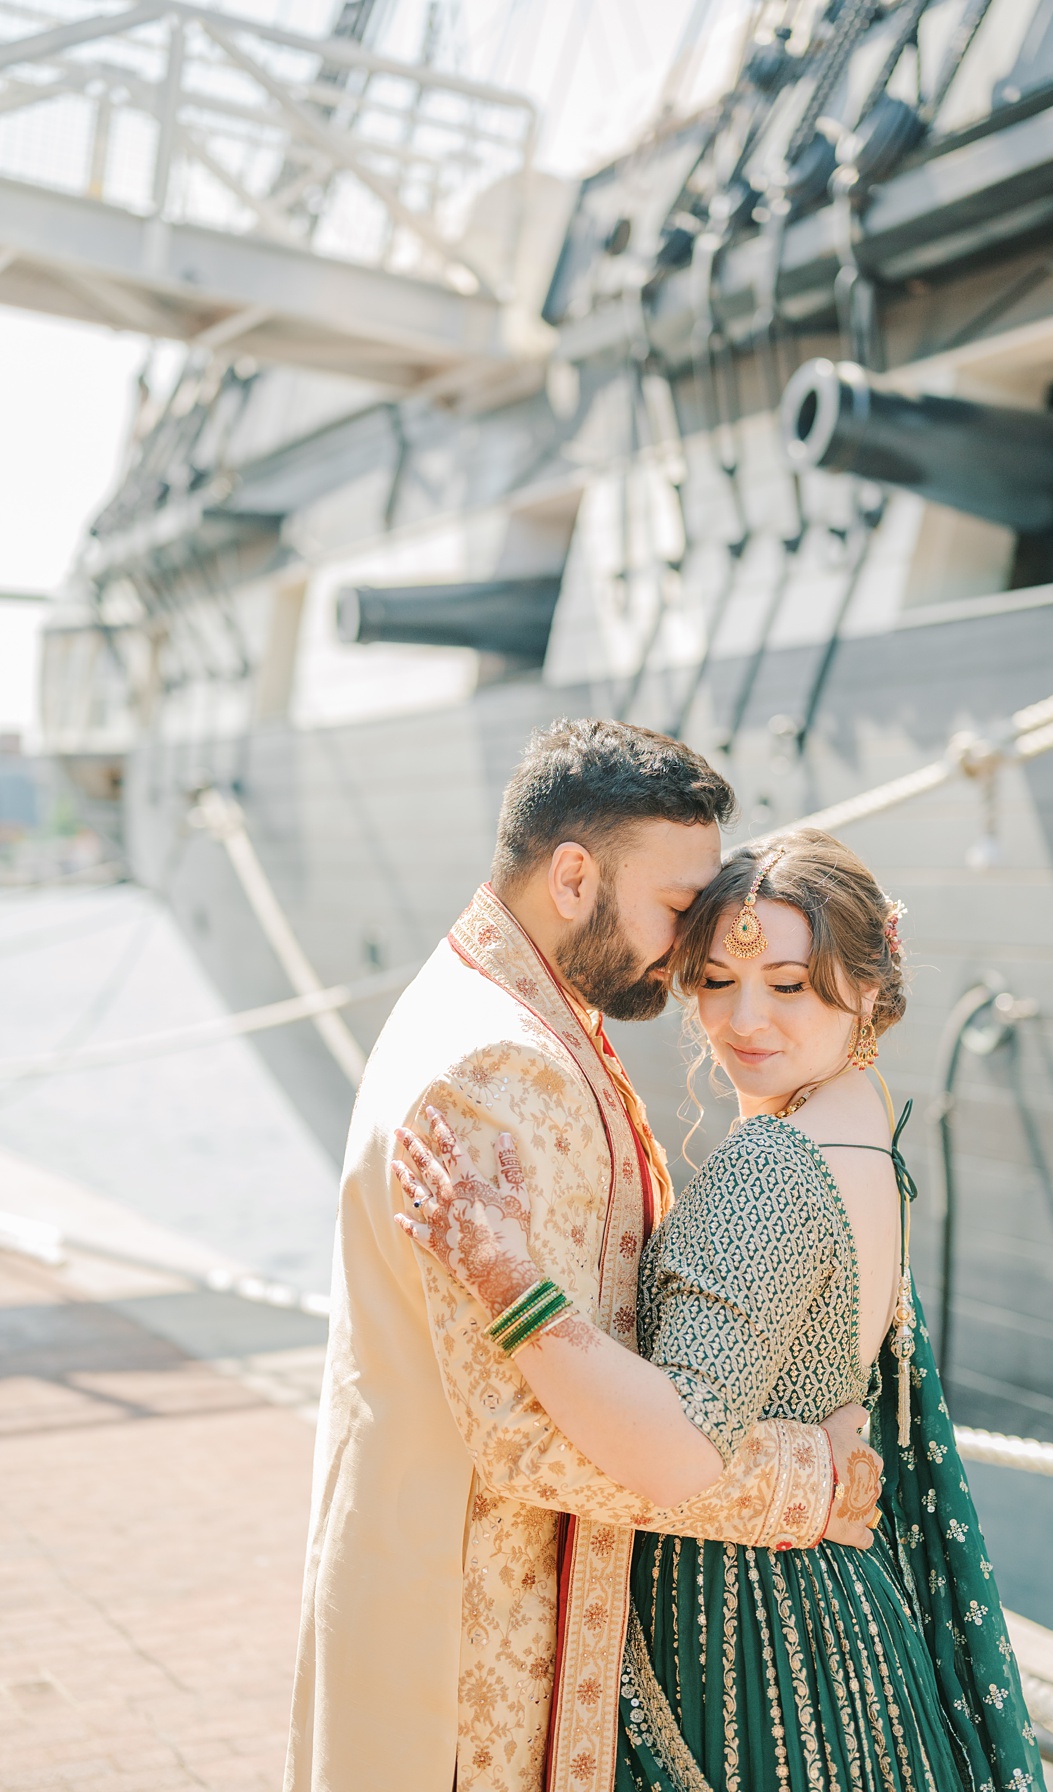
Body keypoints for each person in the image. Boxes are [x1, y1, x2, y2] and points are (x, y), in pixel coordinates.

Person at [286, 721, 883, 1792]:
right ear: (573, 876)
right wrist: (808, 1485)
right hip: (469, 1640)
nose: (696, 942)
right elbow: (527, 1433)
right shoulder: (497, 1065)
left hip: (457, 1582)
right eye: (676, 906)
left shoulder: (511, 1001)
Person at [392, 832, 1044, 1792]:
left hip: (748, 1638)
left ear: (869, 986)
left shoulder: (772, 1167)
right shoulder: (861, 1117)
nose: (745, 1021)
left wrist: (504, 1276)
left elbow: (677, 1450)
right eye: (714, 980)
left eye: (789, 985)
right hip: (837, 1622)